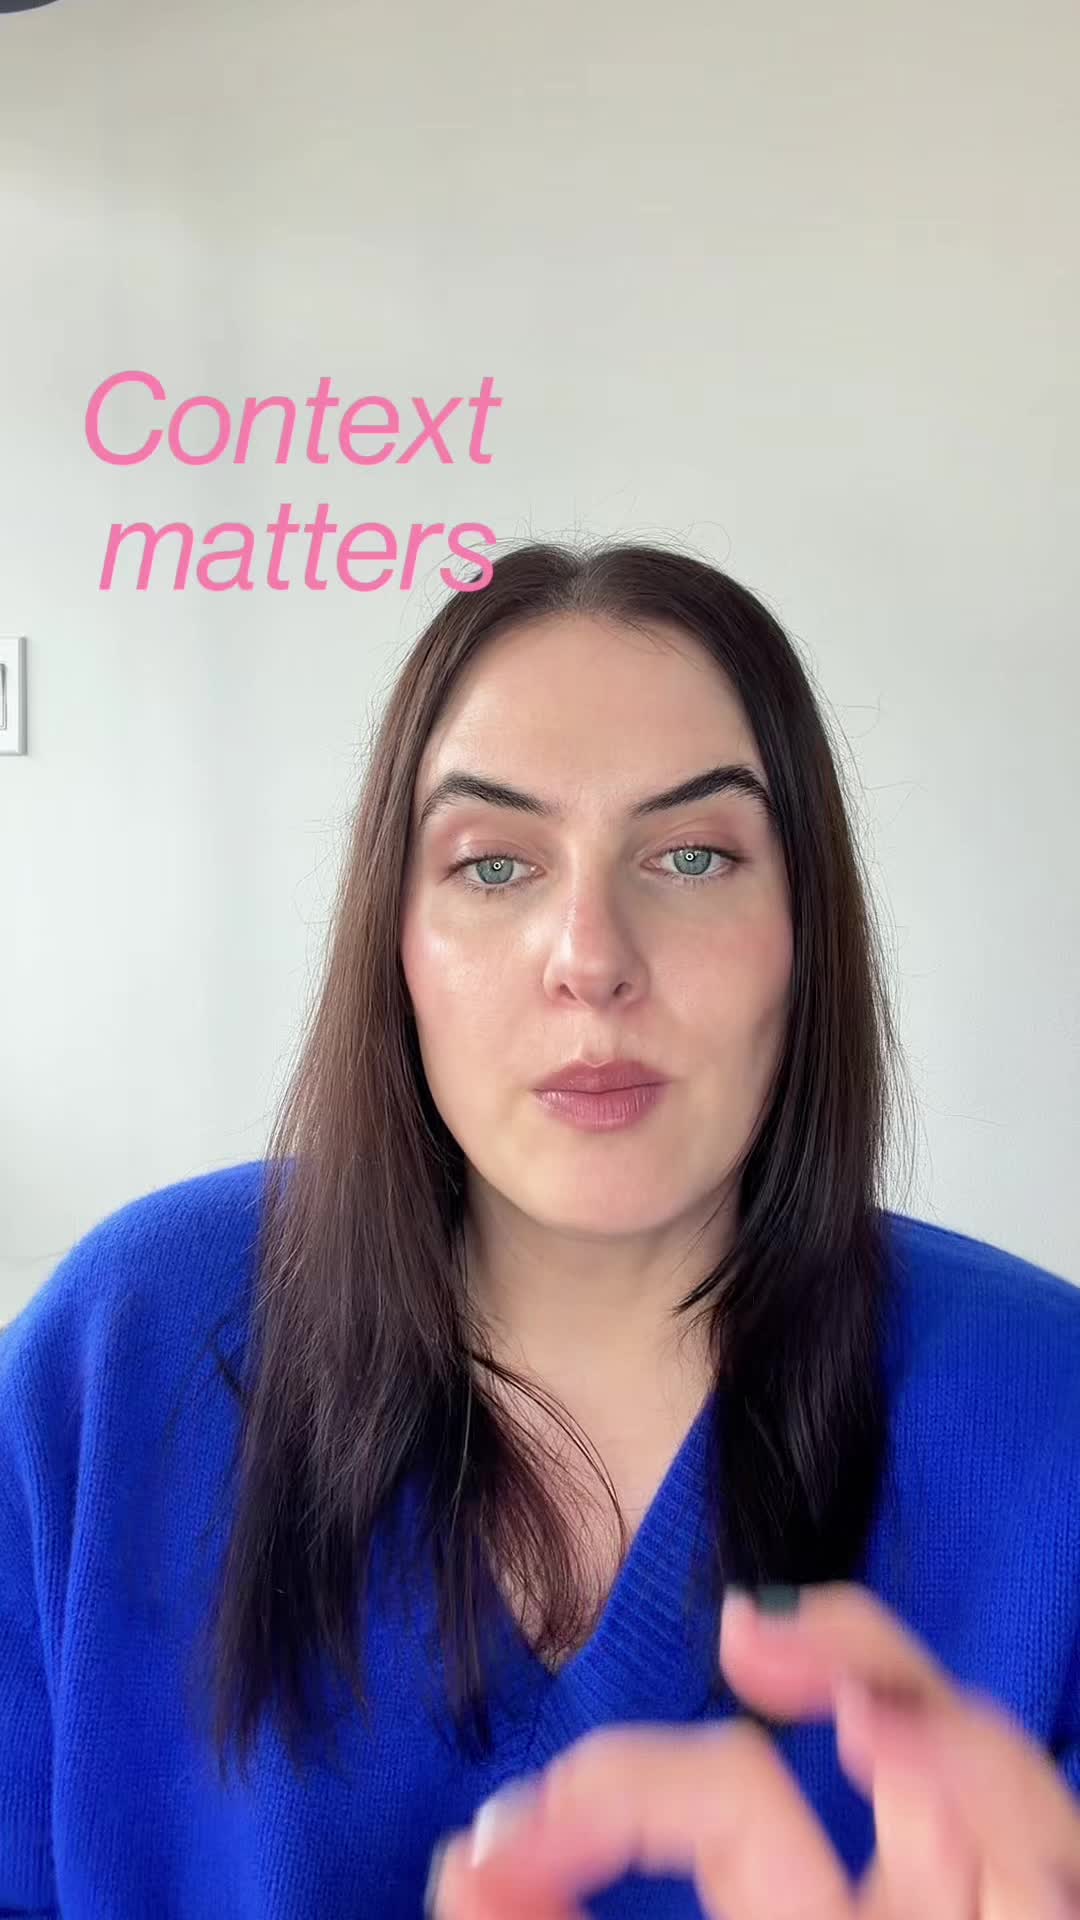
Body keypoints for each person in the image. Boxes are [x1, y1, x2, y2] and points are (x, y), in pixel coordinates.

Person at [1, 539, 1078, 1919]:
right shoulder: (121, 1354)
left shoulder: (1049, 1418)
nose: (592, 958)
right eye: (495, 864)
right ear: (394, 941)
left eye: (693, 855)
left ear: (806, 931)